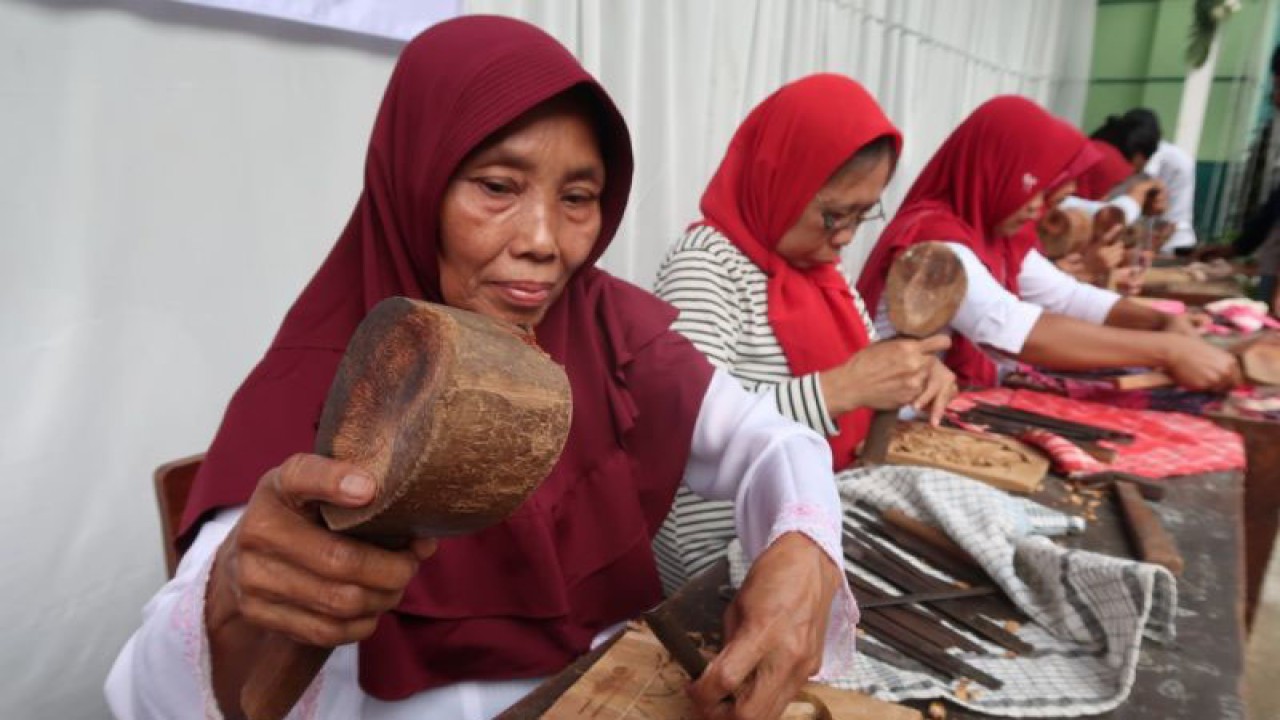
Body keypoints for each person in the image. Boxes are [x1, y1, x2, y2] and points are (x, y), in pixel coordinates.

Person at [105, 17, 857, 720]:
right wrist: (233, 593)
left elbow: (768, 440)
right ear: (416, 182)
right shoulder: (338, 382)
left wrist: (801, 547)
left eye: (578, 198)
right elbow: (149, 695)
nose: (543, 240)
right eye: (497, 187)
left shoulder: (600, 324)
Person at [648, 74, 956, 591]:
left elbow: (857, 376)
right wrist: (841, 389)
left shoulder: (823, 275)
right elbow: (685, 427)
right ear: (779, 178)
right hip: (717, 551)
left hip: (808, 519)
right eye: (834, 214)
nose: (847, 236)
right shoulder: (707, 265)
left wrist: (912, 375)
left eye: (863, 214)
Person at [857, 96, 1239, 391]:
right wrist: (1166, 349)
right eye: (1034, 190)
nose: (1038, 209)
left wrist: (1162, 322)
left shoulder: (994, 235)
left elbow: (1066, 297)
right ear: (997, 171)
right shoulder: (935, 240)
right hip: (896, 422)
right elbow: (1012, 331)